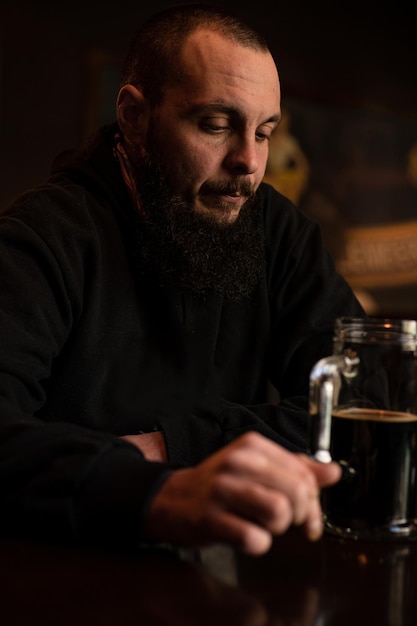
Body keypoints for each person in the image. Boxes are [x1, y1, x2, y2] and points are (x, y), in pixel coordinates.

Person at [0, 3, 364, 556]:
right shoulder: (41, 239)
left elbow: (364, 402)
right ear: (134, 117)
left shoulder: (281, 233)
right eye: (216, 125)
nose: (248, 161)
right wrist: (156, 495)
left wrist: (173, 447)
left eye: (264, 133)